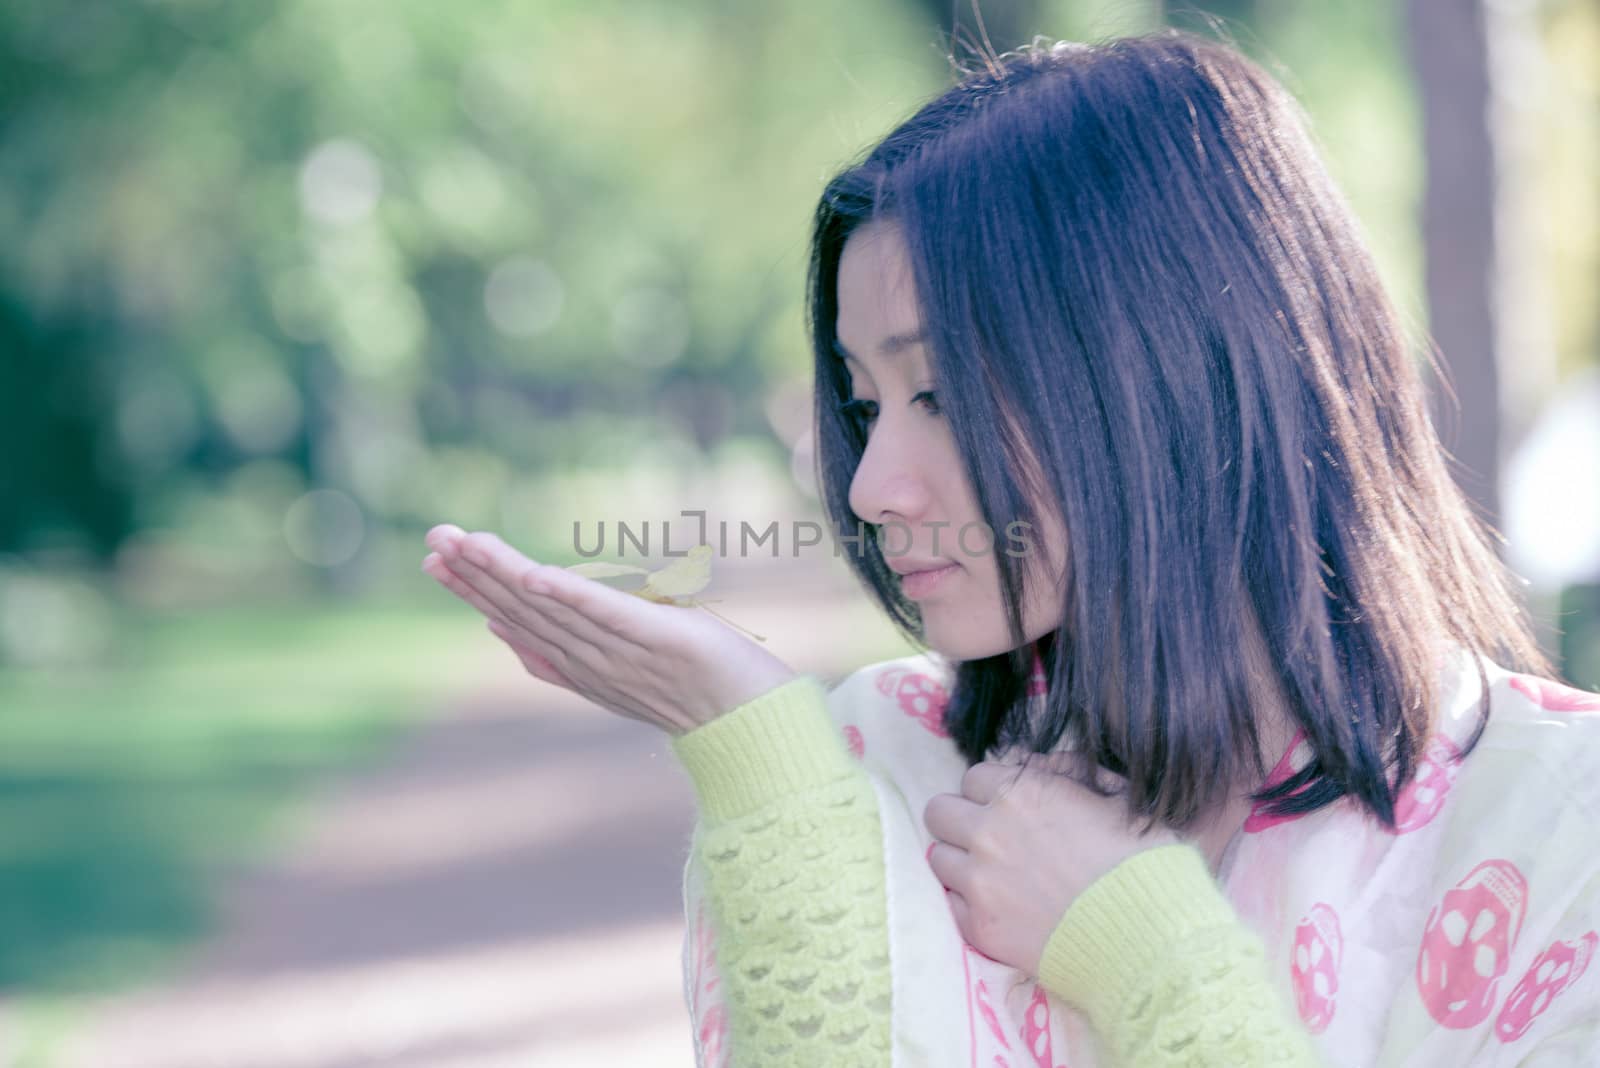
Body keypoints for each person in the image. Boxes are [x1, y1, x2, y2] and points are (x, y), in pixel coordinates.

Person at [420, 28, 1600, 1067]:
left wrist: (1142, 950)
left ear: (1178, 379)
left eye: (938, 392)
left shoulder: (1560, 828)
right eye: (861, 399)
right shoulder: (871, 769)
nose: (875, 486)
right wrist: (761, 760)